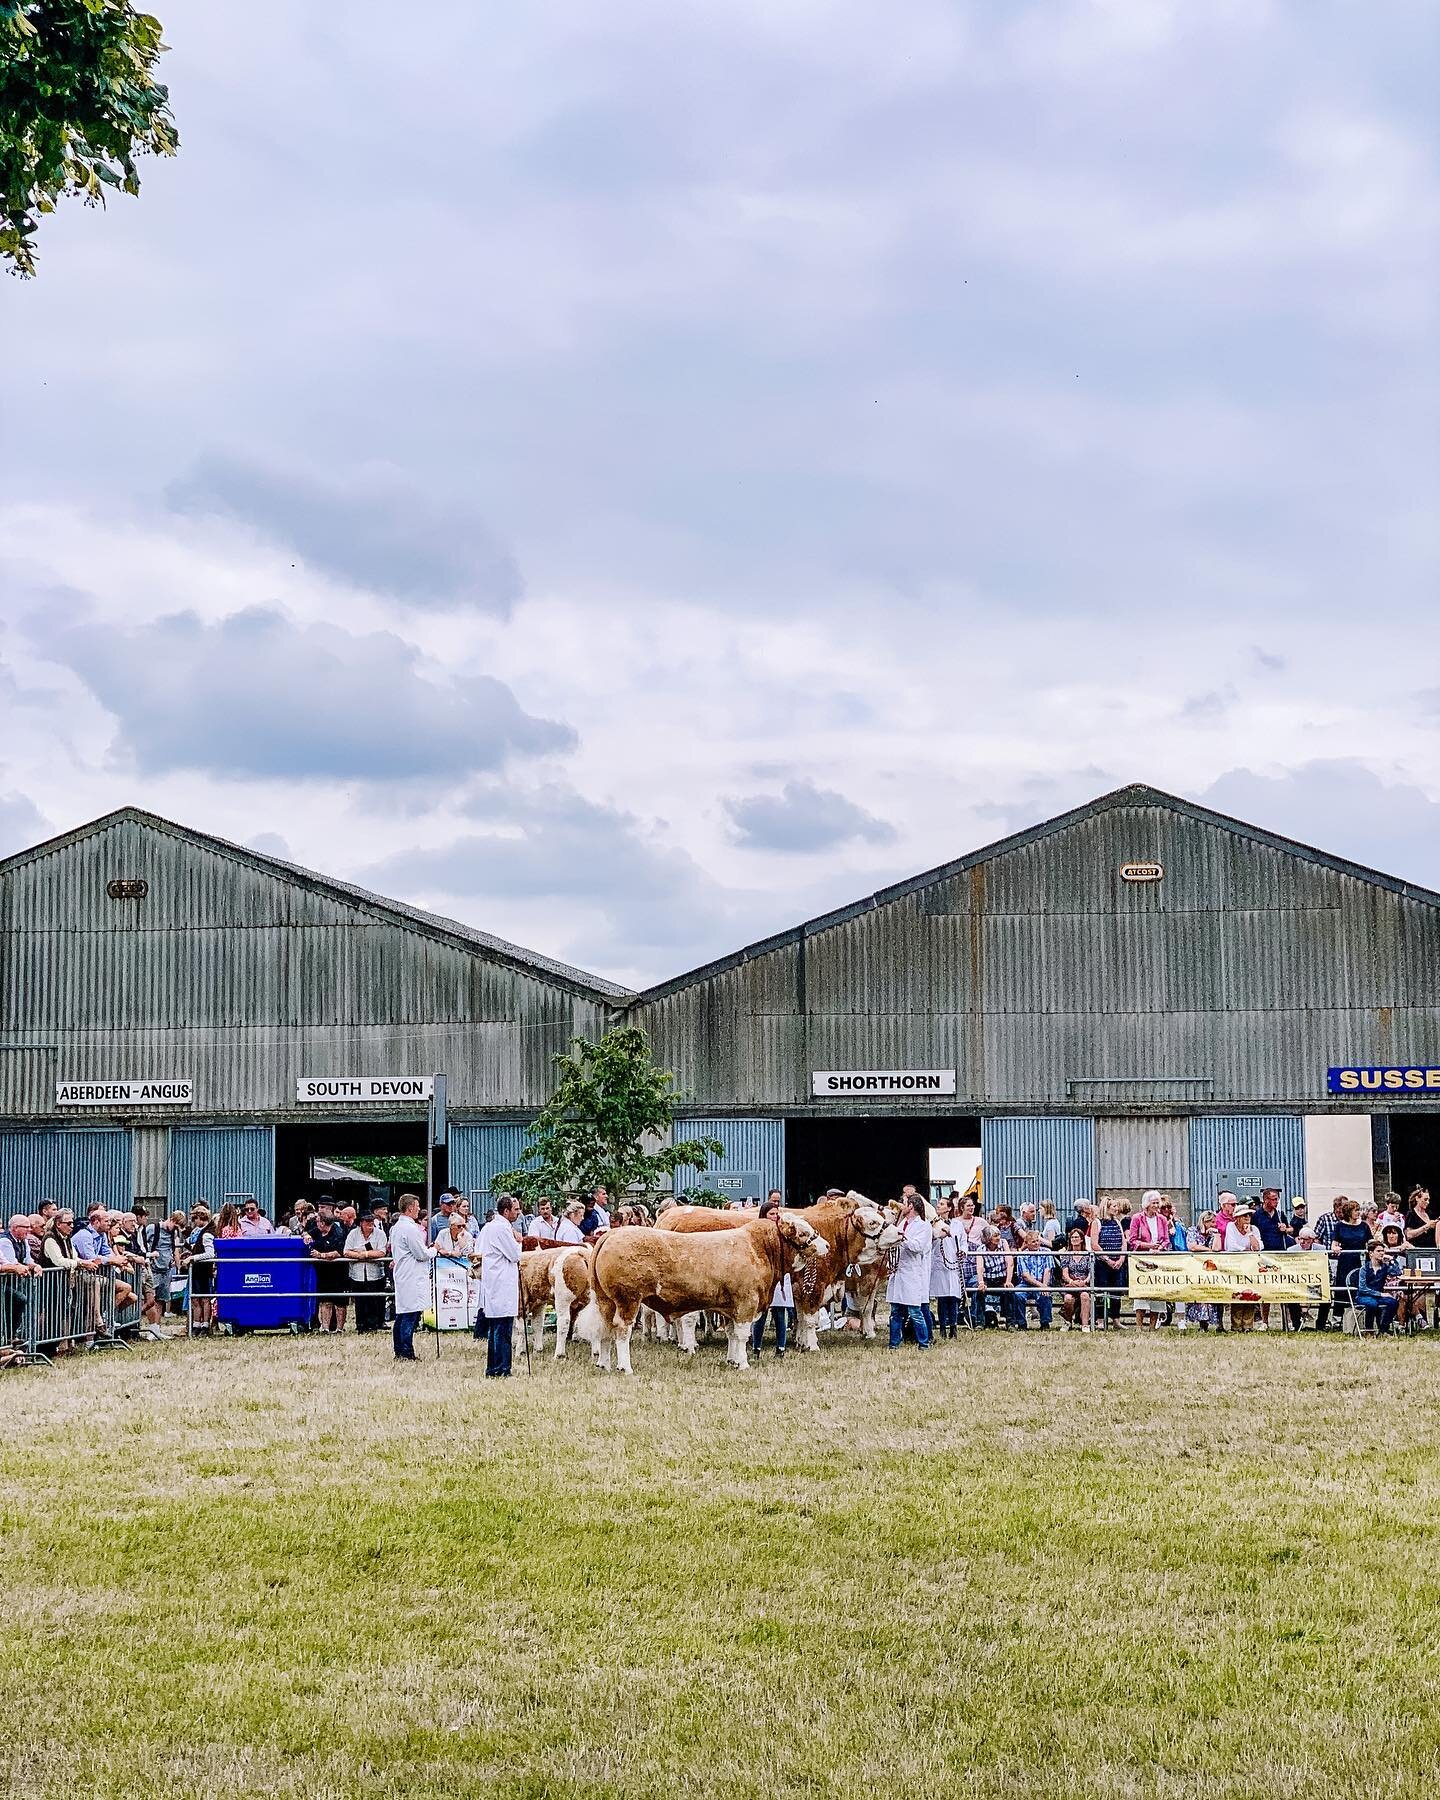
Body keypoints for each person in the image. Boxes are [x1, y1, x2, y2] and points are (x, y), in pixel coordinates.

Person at [477, 1195, 522, 1376]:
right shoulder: (502, 1229)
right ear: (506, 1211)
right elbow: (514, 1255)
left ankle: (493, 1366)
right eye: (515, 1209)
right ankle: (502, 1368)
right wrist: (519, 1243)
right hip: (502, 1281)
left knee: (496, 1326)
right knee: (503, 1328)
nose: (518, 1213)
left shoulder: (490, 1227)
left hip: (495, 1280)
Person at [749, 1198, 794, 1357]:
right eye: (771, 1213)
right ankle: (756, 1347)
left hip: (780, 1276)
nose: (775, 1216)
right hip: (764, 1276)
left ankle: (781, 1348)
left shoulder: (783, 1232)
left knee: (780, 1314)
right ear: (764, 1215)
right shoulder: (756, 1233)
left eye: (776, 1213)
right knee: (761, 1314)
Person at [886, 1193, 932, 1349]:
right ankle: (893, 1344)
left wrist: (902, 1238)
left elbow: (917, 1247)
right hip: (898, 1272)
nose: (901, 1206)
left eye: (904, 1203)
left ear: (911, 1206)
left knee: (915, 1312)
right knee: (895, 1311)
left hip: (912, 1273)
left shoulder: (924, 1226)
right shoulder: (902, 1223)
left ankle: (924, 1344)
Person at [389, 1194, 431, 1361]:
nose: (419, 1209)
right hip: (412, 1274)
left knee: (402, 1313)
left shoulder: (397, 1227)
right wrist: (434, 1250)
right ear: (410, 1208)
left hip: (403, 1273)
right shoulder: (410, 1228)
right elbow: (421, 1254)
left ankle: (399, 1349)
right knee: (409, 1314)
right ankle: (406, 1351)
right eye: (417, 1206)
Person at [1127, 1190, 1171, 1331]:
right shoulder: (1137, 1218)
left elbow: (1166, 1239)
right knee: (1142, 1292)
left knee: (1157, 1292)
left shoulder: (1162, 1219)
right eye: (1154, 1203)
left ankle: (1153, 1326)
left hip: (1158, 1258)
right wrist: (1149, 1246)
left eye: (1158, 1202)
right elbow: (1133, 1240)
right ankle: (1139, 1326)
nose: (1157, 1205)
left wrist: (1160, 1248)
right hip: (1142, 1259)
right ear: (1147, 1204)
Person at [304, 1198, 349, 1333]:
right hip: (322, 1272)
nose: (316, 1223)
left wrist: (321, 1255)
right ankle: (325, 1327)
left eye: (318, 1221)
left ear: (323, 1223)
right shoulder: (317, 1231)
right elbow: (306, 1232)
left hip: (338, 1272)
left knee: (340, 1302)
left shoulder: (338, 1232)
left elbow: (339, 1252)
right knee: (325, 1300)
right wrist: (306, 1235)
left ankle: (340, 1328)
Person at [344, 1211, 389, 1334]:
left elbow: (381, 1252)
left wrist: (364, 1254)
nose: (370, 1223)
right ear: (361, 1223)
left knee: (374, 1299)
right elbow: (346, 1251)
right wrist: (360, 1255)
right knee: (360, 1300)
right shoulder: (353, 1234)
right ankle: (361, 1325)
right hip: (357, 1274)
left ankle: (374, 1324)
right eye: (367, 1221)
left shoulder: (380, 1234)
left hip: (375, 1273)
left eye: (371, 1220)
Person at [0, 1213, 39, 1352]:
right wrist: (19, 1267)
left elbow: (27, 1260)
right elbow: (12, 1263)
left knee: (19, 1301)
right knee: (19, 1299)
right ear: (15, 1228)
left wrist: (35, 1266)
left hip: (11, 1283)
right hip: (5, 1283)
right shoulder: (5, 1241)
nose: (29, 1230)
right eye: (26, 1227)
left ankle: (11, 1336)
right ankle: (9, 1336)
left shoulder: (24, 1241)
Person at [1330, 1197, 1371, 1325]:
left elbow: (1370, 1242)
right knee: (1342, 1286)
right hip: (1345, 1260)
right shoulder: (1340, 1226)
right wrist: (1335, 1248)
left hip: (1361, 1260)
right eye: (1355, 1210)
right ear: (1349, 1212)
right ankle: (1338, 1318)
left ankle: (1360, 1313)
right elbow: (1334, 1243)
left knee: (1360, 1284)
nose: (1358, 1213)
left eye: (1359, 1210)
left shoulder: (1364, 1226)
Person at [928, 1199, 964, 1339]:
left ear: (949, 1208)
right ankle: (942, 1326)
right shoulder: (932, 1224)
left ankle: (953, 1327)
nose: (938, 1206)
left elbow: (963, 1241)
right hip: (939, 1265)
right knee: (941, 1297)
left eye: (942, 1204)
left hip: (953, 1264)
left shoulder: (957, 1224)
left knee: (954, 1297)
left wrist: (963, 1251)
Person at [1089, 1199, 1127, 1331]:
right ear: (1107, 1207)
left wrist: (1121, 1258)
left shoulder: (1117, 1222)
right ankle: (1100, 1320)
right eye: (1114, 1206)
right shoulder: (1097, 1223)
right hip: (1103, 1265)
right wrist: (1107, 1259)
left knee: (1116, 1292)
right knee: (1101, 1291)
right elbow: (1094, 1244)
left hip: (1117, 1263)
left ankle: (1116, 1320)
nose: (1117, 1208)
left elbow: (1123, 1242)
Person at [973, 1226, 1014, 1329]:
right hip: (988, 1279)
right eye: (995, 1236)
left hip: (1002, 1278)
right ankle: (979, 1322)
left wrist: (1008, 1281)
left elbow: (1010, 1262)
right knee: (978, 1291)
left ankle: (1010, 1323)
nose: (998, 1237)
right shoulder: (980, 1249)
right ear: (988, 1238)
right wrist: (981, 1282)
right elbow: (980, 1267)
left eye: (999, 1235)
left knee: (1009, 1291)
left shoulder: (1004, 1244)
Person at [1184, 1211, 1219, 1331]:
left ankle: (1208, 1323)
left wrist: (1216, 1235)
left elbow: (1217, 1248)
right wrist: (1208, 1250)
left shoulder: (1213, 1233)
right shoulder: (1193, 1230)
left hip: (1210, 1268)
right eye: (1212, 1222)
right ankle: (1201, 1324)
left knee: (1210, 1295)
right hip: (1195, 1267)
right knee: (1199, 1295)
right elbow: (1192, 1246)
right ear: (1204, 1221)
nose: (1214, 1224)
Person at [1355, 1241, 1400, 1335]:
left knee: (1393, 1302)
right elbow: (1362, 1288)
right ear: (1371, 1253)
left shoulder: (1384, 1267)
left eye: (1383, 1251)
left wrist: (1391, 1260)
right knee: (1372, 1304)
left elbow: (1397, 1272)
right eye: (1378, 1251)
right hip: (1364, 1296)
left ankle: (1383, 1329)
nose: (1382, 1253)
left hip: (1378, 1296)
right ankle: (1369, 1330)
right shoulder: (1364, 1268)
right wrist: (1380, 1294)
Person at [1013, 1230, 1054, 1329]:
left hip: (1042, 1281)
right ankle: (1021, 1323)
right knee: (1017, 1294)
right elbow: (1025, 1276)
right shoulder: (1022, 1255)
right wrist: (1042, 1286)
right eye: (1033, 1242)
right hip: (1026, 1283)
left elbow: (1047, 1270)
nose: (1036, 1244)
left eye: (1037, 1241)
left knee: (1045, 1294)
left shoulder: (1047, 1252)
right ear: (1026, 1244)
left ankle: (1045, 1323)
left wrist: (1044, 1286)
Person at [185, 1205, 217, 1333]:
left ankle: (204, 1325)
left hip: (202, 1270)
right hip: (199, 1270)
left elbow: (210, 1253)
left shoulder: (207, 1234)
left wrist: (193, 1258)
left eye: (195, 1219)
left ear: (200, 1218)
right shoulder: (206, 1231)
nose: (194, 1223)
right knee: (196, 1299)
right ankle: (197, 1324)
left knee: (203, 1299)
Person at [1058, 1226, 1093, 1332]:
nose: (1074, 1239)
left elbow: (1091, 1272)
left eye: (1077, 1237)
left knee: (1085, 1295)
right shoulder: (1066, 1255)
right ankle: (1068, 1322)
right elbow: (1065, 1273)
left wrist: (1085, 1281)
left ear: (1082, 1239)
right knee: (1068, 1298)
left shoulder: (1088, 1255)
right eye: (1072, 1237)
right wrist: (1071, 1281)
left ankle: (1085, 1325)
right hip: (1071, 1283)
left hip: (1084, 1283)